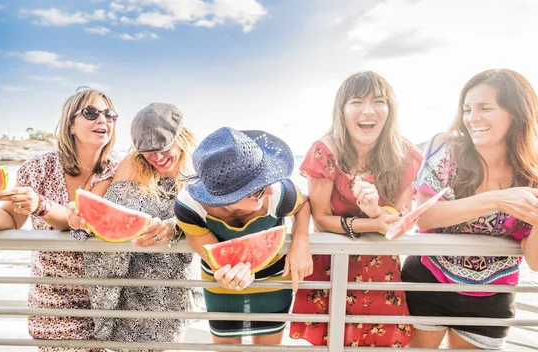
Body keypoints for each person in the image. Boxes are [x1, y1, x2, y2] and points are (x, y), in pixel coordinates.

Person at [0, 88, 120, 352]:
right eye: (91, 112)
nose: (102, 120)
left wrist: (41, 205)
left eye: (109, 114)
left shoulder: (120, 170)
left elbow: (86, 222)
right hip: (54, 298)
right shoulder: (38, 168)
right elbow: (9, 221)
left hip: (113, 296)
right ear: (70, 124)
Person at [401, 69, 538, 350]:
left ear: (516, 113)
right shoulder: (446, 147)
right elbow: (427, 216)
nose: (472, 118)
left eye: (485, 108)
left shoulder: (536, 175)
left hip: (493, 297)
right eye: (467, 109)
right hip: (426, 281)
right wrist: (500, 199)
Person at [289, 71, 422, 348]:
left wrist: (376, 213)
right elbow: (322, 219)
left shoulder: (404, 154)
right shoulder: (325, 152)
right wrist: (372, 223)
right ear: (341, 110)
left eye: (379, 101)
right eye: (356, 101)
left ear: (390, 110)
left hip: (381, 269)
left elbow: (397, 219)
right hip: (330, 268)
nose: (368, 110)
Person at [67, 102, 201, 352]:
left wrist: (176, 226)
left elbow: (209, 217)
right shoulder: (131, 164)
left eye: (163, 148)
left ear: (180, 137)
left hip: (173, 286)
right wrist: (81, 221)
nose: (157, 158)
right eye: (148, 151)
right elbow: (110, 215)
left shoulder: (197, 170)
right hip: (129, 282)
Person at [174, 127, 313, 347]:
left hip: (274, 284)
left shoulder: (279, 192)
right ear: (225, 199)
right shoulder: (189, 208)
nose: (268, 191)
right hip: (219, 287)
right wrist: (221, 270)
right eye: (256, 190)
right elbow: (199, 241)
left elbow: (303, 203)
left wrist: (301, 240)